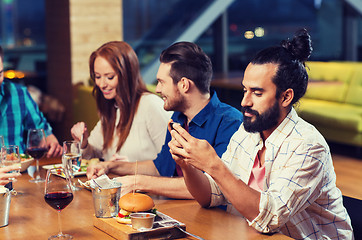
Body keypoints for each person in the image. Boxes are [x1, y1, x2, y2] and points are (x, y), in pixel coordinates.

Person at [168, 29, 354, 239]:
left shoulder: (309, 146)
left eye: (257, 93)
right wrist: (187, 164)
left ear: (285, 97)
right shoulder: (248, 132)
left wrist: (213, 164)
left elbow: (270, 218)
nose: (244, 101)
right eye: (245, 90)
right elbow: (211, 195)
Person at [87, 41, 243, 199]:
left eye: (161, 82)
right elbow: (159, 167)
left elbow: (212, 187)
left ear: (184, 85)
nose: (158, 89)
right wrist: (110, 165)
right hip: (177, 211)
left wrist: (138, 182)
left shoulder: (229, 122)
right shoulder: (178, 118)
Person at [71, 41, 171, 162]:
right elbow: (93, 153)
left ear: (127, 75)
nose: (102, 84)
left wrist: (127, 168)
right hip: (118, 181)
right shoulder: (112, 108)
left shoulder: (150, 105)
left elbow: (171, 164)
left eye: (110, 77)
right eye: (97, 77)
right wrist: (83, 142)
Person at [0, 45, 62, 157]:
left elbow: (41, 129)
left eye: (0, 73)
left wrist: (50, 140)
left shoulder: (19, 93)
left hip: (19, 172)